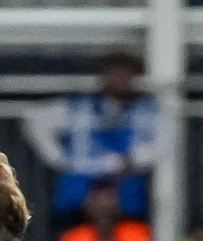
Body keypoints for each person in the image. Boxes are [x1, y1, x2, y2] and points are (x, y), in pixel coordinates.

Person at [23, 51, 158, 218]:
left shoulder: (148, 110)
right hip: (78, 194)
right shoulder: (80, 108)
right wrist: (60, 158)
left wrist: (135, 159)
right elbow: (35, 118)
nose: (120, 82)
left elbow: (163, 141)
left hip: (126, 197)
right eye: (115, 75)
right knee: (72, 238)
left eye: (126, 77)